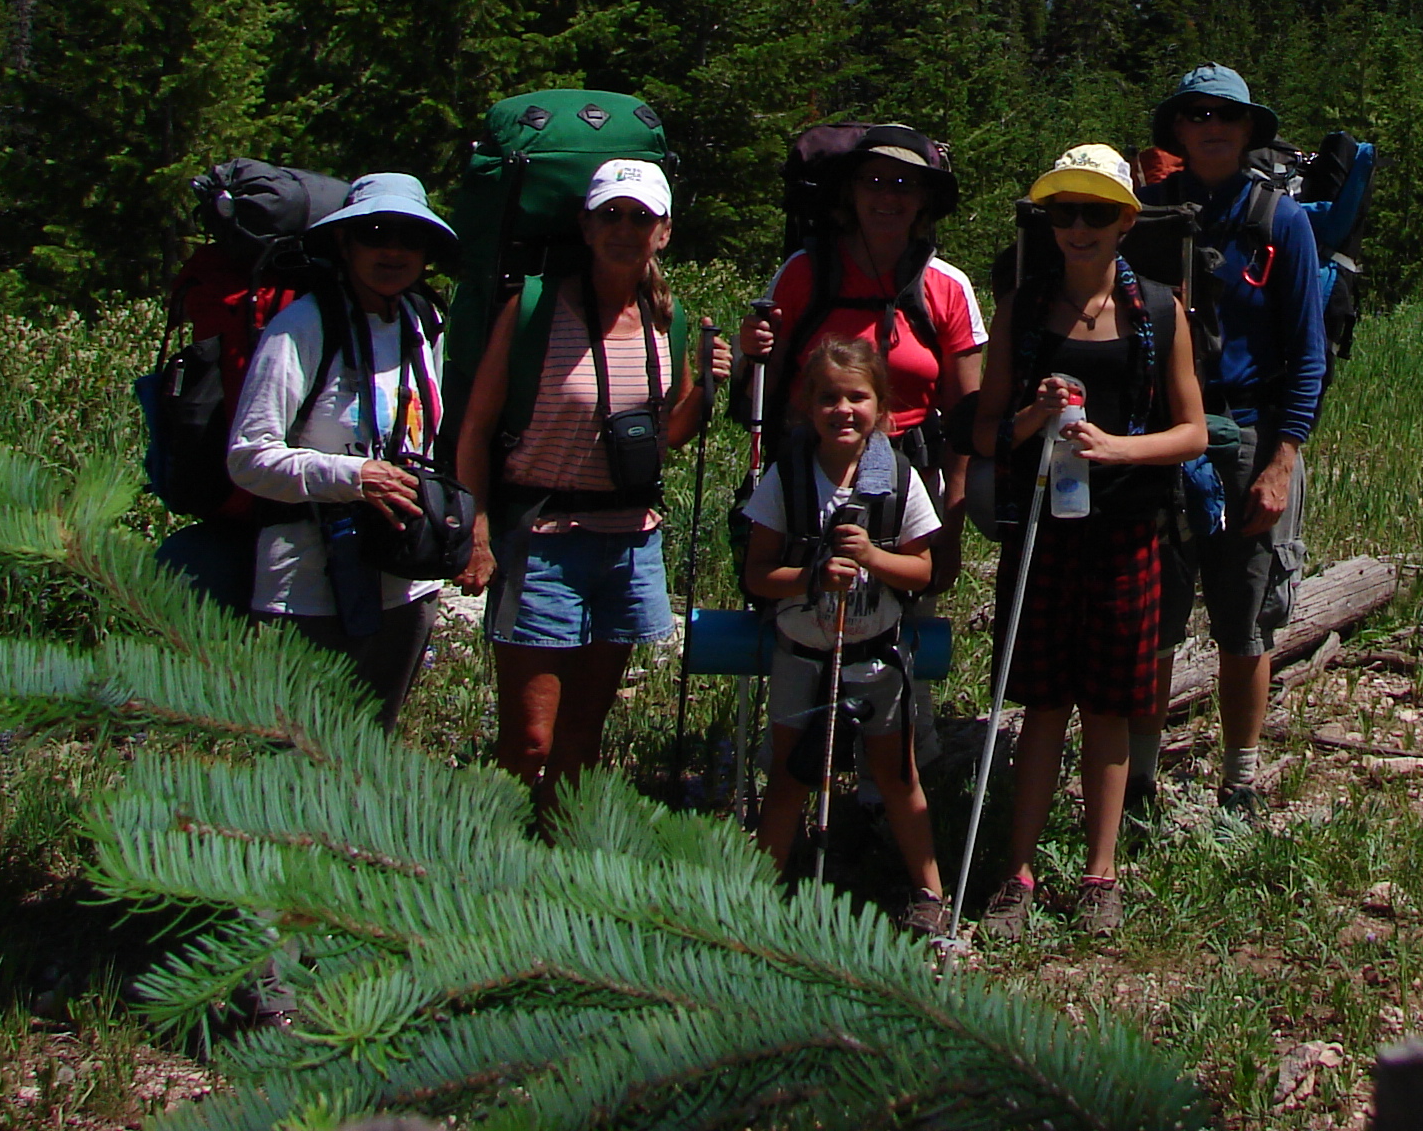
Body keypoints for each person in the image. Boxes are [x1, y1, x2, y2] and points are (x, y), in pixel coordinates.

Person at [970, 143, 1205, 938]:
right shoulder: (1019, 309)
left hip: (1127, 525)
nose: (1077, 227)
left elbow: (1193, 432)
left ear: (1126, 221)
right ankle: (1019, 874)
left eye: (1095, 213)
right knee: (1043, 705)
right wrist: (1035, 418)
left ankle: (1100, 875)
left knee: (1110, 708)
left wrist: (1116, 449)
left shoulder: (1164, 311)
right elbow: (985, 428)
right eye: (1062, 212)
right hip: (1044, 530)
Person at [454, 156, 732, 819]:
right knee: (528, 740)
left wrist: (716, 379)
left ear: (663, 232)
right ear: (585, 225)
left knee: (583, 736)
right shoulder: (534, 311)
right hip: (542, 539)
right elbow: (477, 427)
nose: (624, 229)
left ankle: (553, 865)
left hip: (628, 543)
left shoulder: (669, 320)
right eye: (611, 214)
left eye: (640, 218)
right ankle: (497, 859)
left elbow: (668, 435)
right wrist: (477, 531)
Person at [1138, 65, 1327, 820]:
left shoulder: (1283, 222)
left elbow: (1309, 354)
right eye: (1196, 114)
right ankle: (1141, 783)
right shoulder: (1143, 214)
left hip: (1249, 435)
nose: (1212, 125)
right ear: (1177, 130)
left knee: (1245, 622)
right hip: (1157, 438)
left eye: (1228, 115)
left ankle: (1240, 784)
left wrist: (1282, 460)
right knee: (1151, 619)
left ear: (1250, 130)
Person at [224, 170, 456, 733]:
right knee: (300, 756)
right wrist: (356, 477)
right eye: (376, 233)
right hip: (305, 582)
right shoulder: (302, 326)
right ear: (345, 242)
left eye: (410, 237)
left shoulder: (424, 322)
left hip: (404, 578)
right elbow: (248, 456)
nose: (393, 251)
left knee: (371, 745)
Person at [741, 338, 947, 934]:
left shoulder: (901, 478)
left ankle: (929, 895)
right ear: (808, 407)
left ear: (881, 410)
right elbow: (757, 573)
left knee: (897, 775)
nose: (843, 410)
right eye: (829, 398)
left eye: (858, 397)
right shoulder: (788, 478)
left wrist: (872, 560)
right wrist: (811, 575)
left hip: (876, 658)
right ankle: (758, 898)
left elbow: (924, 570)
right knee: (788, 777)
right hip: (802, 655)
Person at [737, 125, 985, 564]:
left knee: (899, 625)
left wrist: (950, 527)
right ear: (849, 193)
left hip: (909, 499)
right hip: (805, 489)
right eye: (872, 181)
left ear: (924, 198)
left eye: (903, 184)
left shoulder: (948, 288)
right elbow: (763, 396)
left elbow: (964, 428)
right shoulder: (803, 274)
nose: (887, 197)